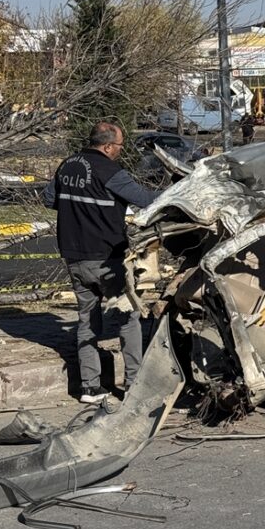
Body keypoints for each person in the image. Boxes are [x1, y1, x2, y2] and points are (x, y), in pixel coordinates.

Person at [42, 122, 160, 403]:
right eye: (119, 146)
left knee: (87, 319)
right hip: (107, 259)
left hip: (74, 257)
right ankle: (133, 385)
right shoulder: (110, 172)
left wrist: (80, 208)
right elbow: (144, 199)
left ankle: (90, 387)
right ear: (107, 146)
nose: (120, 151)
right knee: (128, 319)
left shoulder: (67, 165)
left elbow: (49, 198)